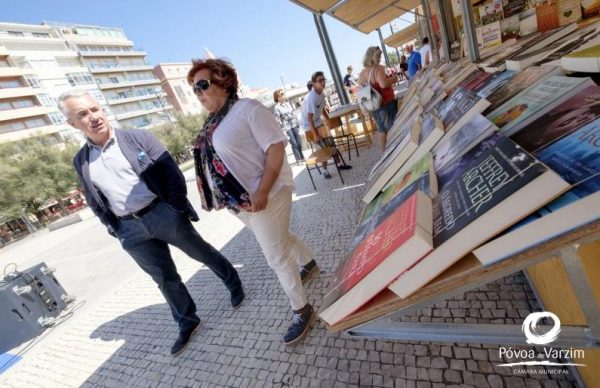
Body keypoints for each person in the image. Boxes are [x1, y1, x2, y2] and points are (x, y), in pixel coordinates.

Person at [59, 90, 244, 357]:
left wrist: (176, 207)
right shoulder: (81, 160)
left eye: (95, 109)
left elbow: (171, 173)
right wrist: (114, 228)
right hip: (130, 230)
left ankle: (233, 283)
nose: (93, 117)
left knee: (201, 252)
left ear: (103, 109)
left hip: (162, 213)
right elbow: (93, 198)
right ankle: (188, 322)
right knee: (164, 279)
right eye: (82, 115)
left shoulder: (138, 137)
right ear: (72, 124)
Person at [187, 58, 319, 345]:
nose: (198, 93)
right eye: (194, 89)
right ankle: (309, 263)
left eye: (202, 85)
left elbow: (275, 149)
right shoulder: (213, 123)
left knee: (275, 256)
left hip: (266, 196)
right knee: (279, 238)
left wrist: (261, 191)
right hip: (240, 203)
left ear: (223, 81)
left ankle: (302, 308)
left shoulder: (247, 110)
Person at [300, 71, 352, 178]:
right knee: (323, 149)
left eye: (324, 80)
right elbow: (309, 119)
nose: (323, 82)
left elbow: (322, 108)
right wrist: (315, 135)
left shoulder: (321, 94)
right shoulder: (311, 98)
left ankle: (340, 164)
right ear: (314, 83)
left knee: (332, 145)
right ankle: (325, 171)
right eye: (320, 81)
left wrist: (328, 121)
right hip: (310, 127)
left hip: (318, 122)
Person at [358, 46, 398, 151]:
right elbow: (383, 84)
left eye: (380, 55)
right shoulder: (378, 68)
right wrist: (393, 78)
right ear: (370, 56)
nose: (379, 58)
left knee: (381, 129)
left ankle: (384, 153)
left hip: (373, 106)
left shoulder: (362, 74)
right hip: (386, 102)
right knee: (391, 127)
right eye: (377, 55)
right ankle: (395, 151)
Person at [273, 89, 305, 164]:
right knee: (294, 143)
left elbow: (293, 114)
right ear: (278, 97)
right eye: (282, 94)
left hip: (294, 124)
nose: (284, 95)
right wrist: (283, 130)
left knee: (299, 142)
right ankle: (298, 160)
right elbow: (278, 120)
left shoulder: (287, 104)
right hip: (287, 127)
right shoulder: (276, 107)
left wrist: (298, 123)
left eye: (283, 93)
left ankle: (302, 157)